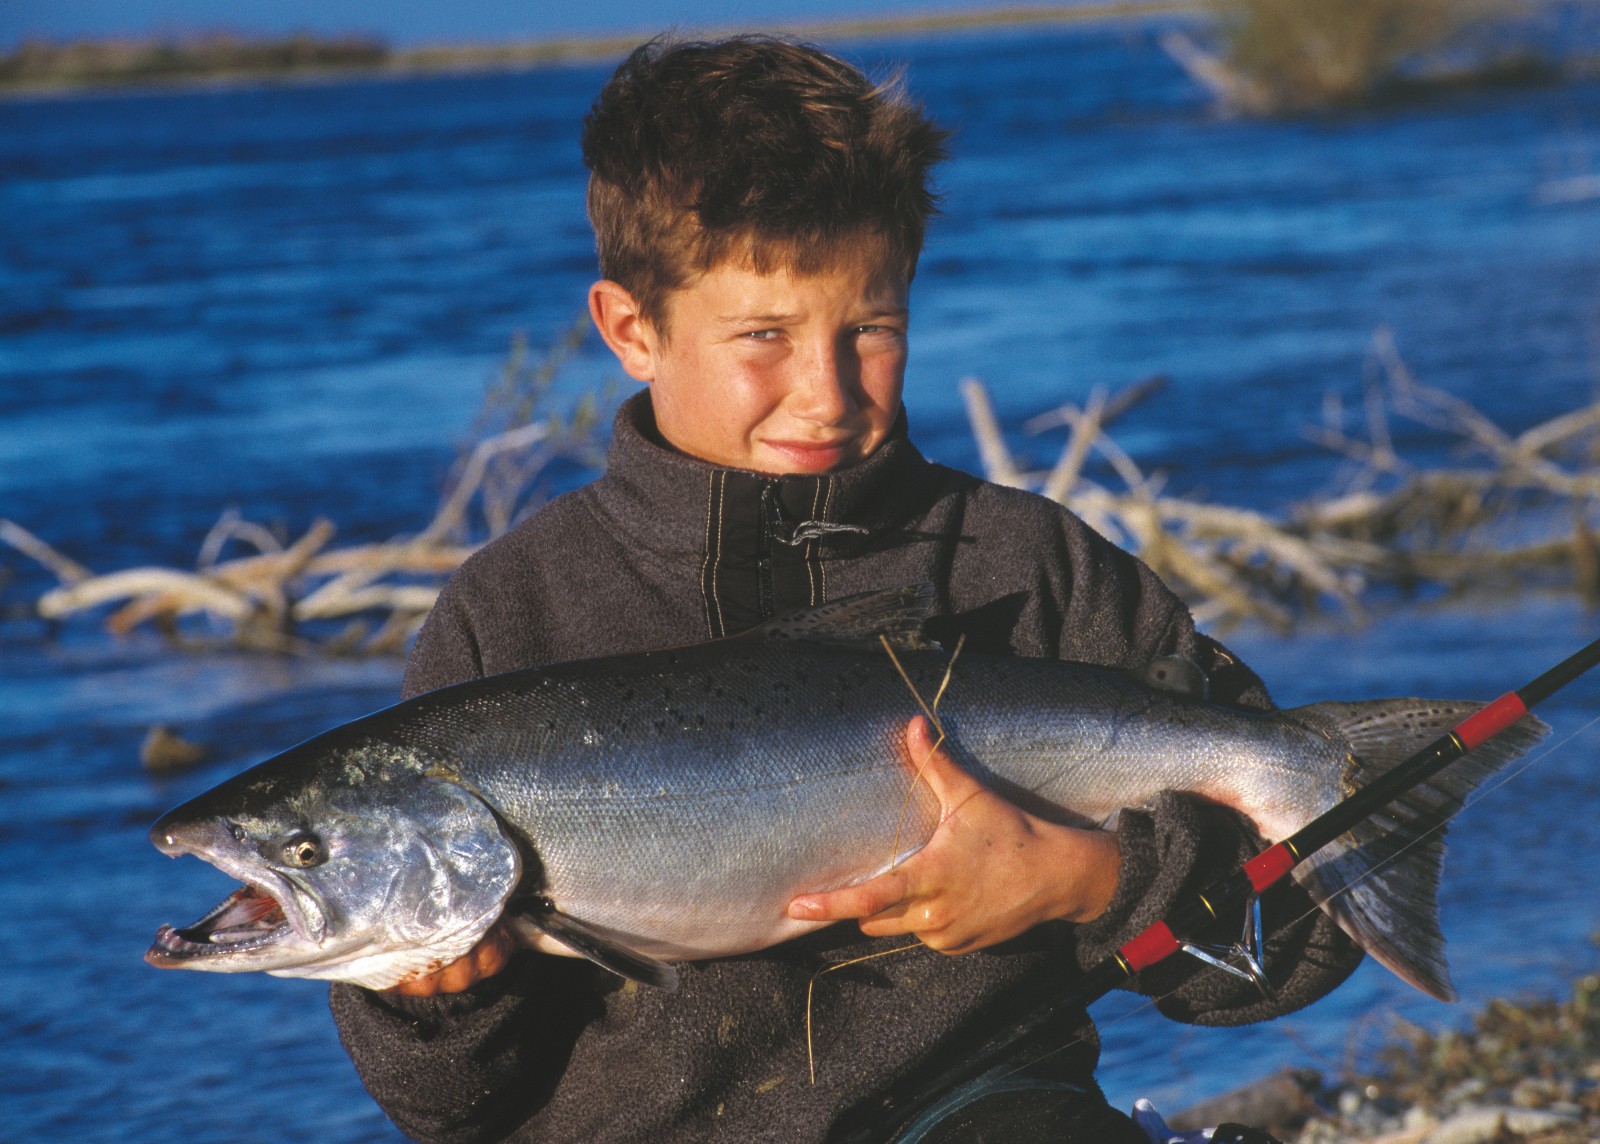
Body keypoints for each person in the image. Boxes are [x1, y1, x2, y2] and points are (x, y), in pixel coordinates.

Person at [330, 34, 1360, 1143]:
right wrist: (437, 1003)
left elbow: (1290, 955)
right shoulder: (509, 616)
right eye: (762, 337)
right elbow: (444, 1109)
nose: (823, 394)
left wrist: (1091, 880)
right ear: (632, 329)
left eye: (869, 330)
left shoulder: (1033, 572)